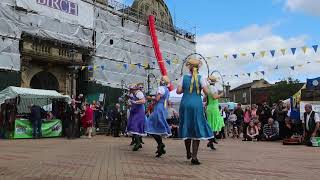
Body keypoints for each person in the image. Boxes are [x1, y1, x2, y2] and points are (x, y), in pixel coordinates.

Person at [177, 58, 214, 165]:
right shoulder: (201, 78)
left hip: (185, 103)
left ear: (189, 67)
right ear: (199, 68)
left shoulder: (183, 77)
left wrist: (186, 88)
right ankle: (194, 157)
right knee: (196, 128)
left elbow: (178, 91)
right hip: (197, 104)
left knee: (187, 127)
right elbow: (207, 92)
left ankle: (188, 151)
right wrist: (205, 89)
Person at [146, 76, 172, 157]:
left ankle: (160, 144)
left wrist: (149, 98)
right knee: (155, 126)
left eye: (161, 79)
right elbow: (167, 101)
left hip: (158, 108)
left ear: (162, 81)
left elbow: (157, 99)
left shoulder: (161, 88)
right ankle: (160, 145)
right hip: (163, 108)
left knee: (149, 125)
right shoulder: (167, 90)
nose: (160, 80)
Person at [205, 75, 224, 150]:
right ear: (214, 82)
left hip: (209, 107)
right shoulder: (213, 88)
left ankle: (211, 142)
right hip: (214, 107)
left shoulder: (207, 88)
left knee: (212, 125)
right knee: (216, 123)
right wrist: (220, 95)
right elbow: (214, 97)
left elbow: (205, 99)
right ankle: (211, 140)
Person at [126, 84, 147, 151]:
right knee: (133, 127)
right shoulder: (134, 94)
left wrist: (135, 102)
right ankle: (138, 143)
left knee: (135, 127)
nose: (130, 91)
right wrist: (130, 104)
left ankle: (138, 143)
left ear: (134, 89)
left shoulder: (139, 93)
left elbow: (143, 101)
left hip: (138, 113)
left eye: (131, 90)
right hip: (134, 112)